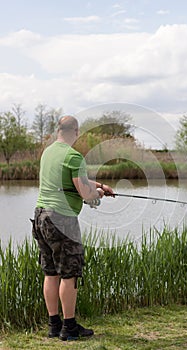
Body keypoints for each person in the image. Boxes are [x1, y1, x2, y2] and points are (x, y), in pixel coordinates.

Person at [31, 115, 114, 341]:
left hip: (40, 217)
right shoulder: (74, 156)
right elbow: (85, 194)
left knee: (51, 272)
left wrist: (101, 185)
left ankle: (53, 325)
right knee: (70, 274)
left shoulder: (48, 153)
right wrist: (97, 195)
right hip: (62, 219)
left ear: (59, 131)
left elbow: (74, 179)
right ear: (75, 132)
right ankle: (69, 328)